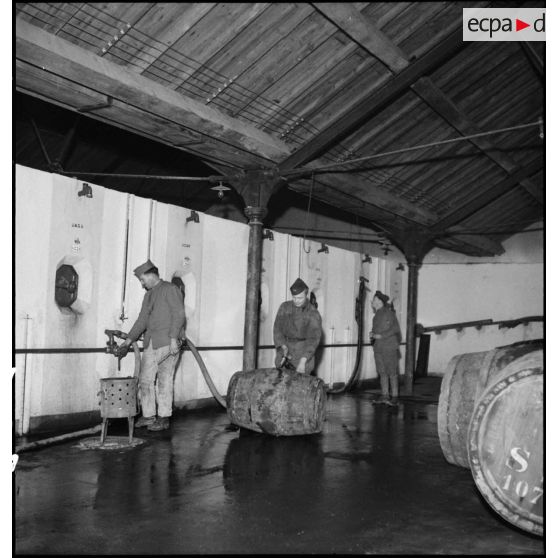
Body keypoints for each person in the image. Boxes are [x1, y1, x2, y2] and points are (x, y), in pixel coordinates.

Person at [120, 260, 186, 431]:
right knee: (145, 379)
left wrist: (174, 339)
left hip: (167, 342)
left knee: (164, 380)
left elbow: (179, 314)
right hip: (150, 342)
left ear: (150, 275)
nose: (142, 284)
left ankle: (164, 417)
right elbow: (142, 320)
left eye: (142, 280)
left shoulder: (170, 289)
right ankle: (149, 415)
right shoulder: (148, 295)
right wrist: (128, 341)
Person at [273, 278, 322, 374]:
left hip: (303, 355)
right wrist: (283, 346)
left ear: (306, 295)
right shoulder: (284, 307)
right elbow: (277, 329)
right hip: (285, 354)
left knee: (300, 382)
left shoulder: (313, 313)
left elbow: (313, 340)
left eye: (300, 298)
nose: (296, 301)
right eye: (294, 297)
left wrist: (303, 361)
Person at [370, 290, 402, 406]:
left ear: (381, 302)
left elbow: (395, 329)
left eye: (375, 300)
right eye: (374, 300)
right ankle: (385, 395)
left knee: (392, 373)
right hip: (378, 348)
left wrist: (381, 335)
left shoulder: (389, 313)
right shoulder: (375, 317)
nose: (373, 302)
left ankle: (395, 397)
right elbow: (376, 331)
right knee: (382, 372)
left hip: (389, 348)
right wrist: (372, 334)